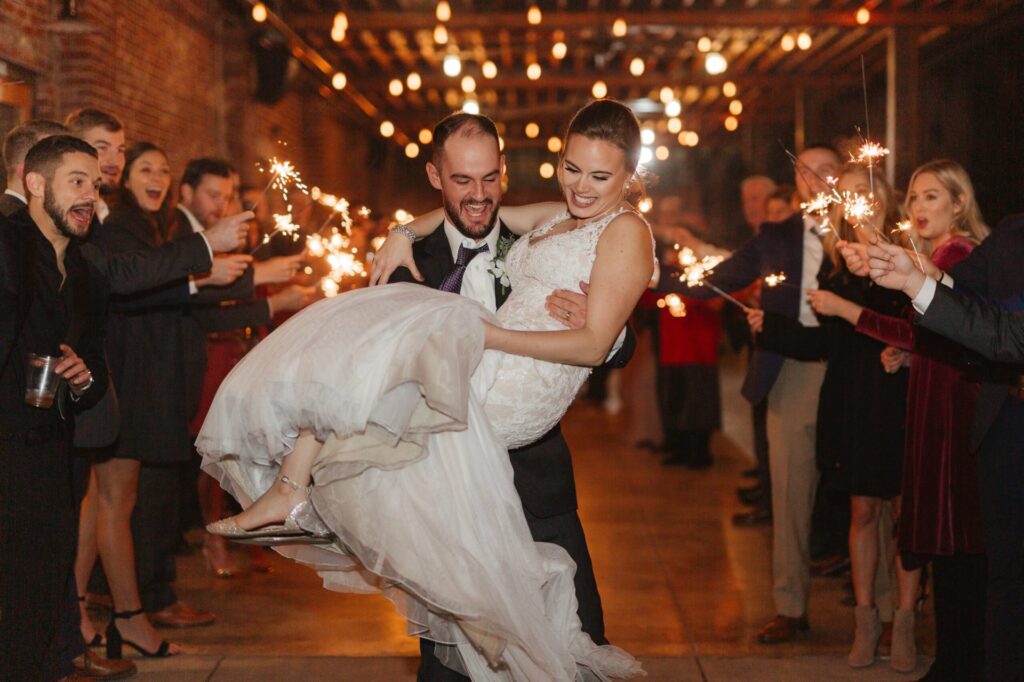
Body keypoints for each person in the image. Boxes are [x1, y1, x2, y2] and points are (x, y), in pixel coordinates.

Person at [198, 100, 651, 681]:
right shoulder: (415, 259)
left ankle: (295, 489)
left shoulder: (608, 229)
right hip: (443, 483)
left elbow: (606, 340)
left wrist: (605, 331)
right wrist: (403, 229)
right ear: (436, 177)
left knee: (572, 640)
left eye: (489, 179)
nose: (581, 187)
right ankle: (303, 493)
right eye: (571, 169)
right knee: (450, 667)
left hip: (532, 477)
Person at [660, 143, 841, 643]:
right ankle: (791, 605)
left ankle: (887, 615)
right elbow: (714, 281)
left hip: (860, 372)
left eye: (828, 170)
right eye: (808, 171)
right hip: (796, 370)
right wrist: (648, 276)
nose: (817, 179)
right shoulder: (778, 236)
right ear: (797, 181)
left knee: (871, 499)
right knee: (790, 491)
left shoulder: (864, 233)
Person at [748, 163, 916, 670]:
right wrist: (770, 326)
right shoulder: (837, 266)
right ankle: (867, 623)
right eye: (847, 194)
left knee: (902, 513)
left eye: (863, 190)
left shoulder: (908, 257)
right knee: (862, 510)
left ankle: (903, 619)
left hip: (898, 393)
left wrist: (905, 350)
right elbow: (827, 338)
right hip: (853, 392)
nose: (854, 201)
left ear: (884, 197)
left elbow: (926, 323)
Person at [843, 159, 989, 681]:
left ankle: (958, 661)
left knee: (955, 540)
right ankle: (954, 658)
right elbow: (940, 331)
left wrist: (846, 309)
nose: (919, 207)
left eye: (932, 196)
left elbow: (953, 325)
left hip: (952, 410)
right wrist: (909, 356)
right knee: (949, 542)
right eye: (914, 197)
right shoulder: (942, 254)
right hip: (938, 399)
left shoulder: (956, 253)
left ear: (959, 202)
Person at [863, 212, 1024, 682]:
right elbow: (970, 297)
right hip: (1006, 422)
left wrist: (915, 284)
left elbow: (1007, 335)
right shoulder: (1013, 230)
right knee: (1006, 575)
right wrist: (915, 274)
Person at [0, 135, 108, 681]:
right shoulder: (7, 246)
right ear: (36, 184)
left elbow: (96, 367)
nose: (90, 195)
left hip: (53, 459)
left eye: (96, 184)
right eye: (77, 181)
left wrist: (85, 378)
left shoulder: (86, 274)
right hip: (5, 451)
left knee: (41, 595)